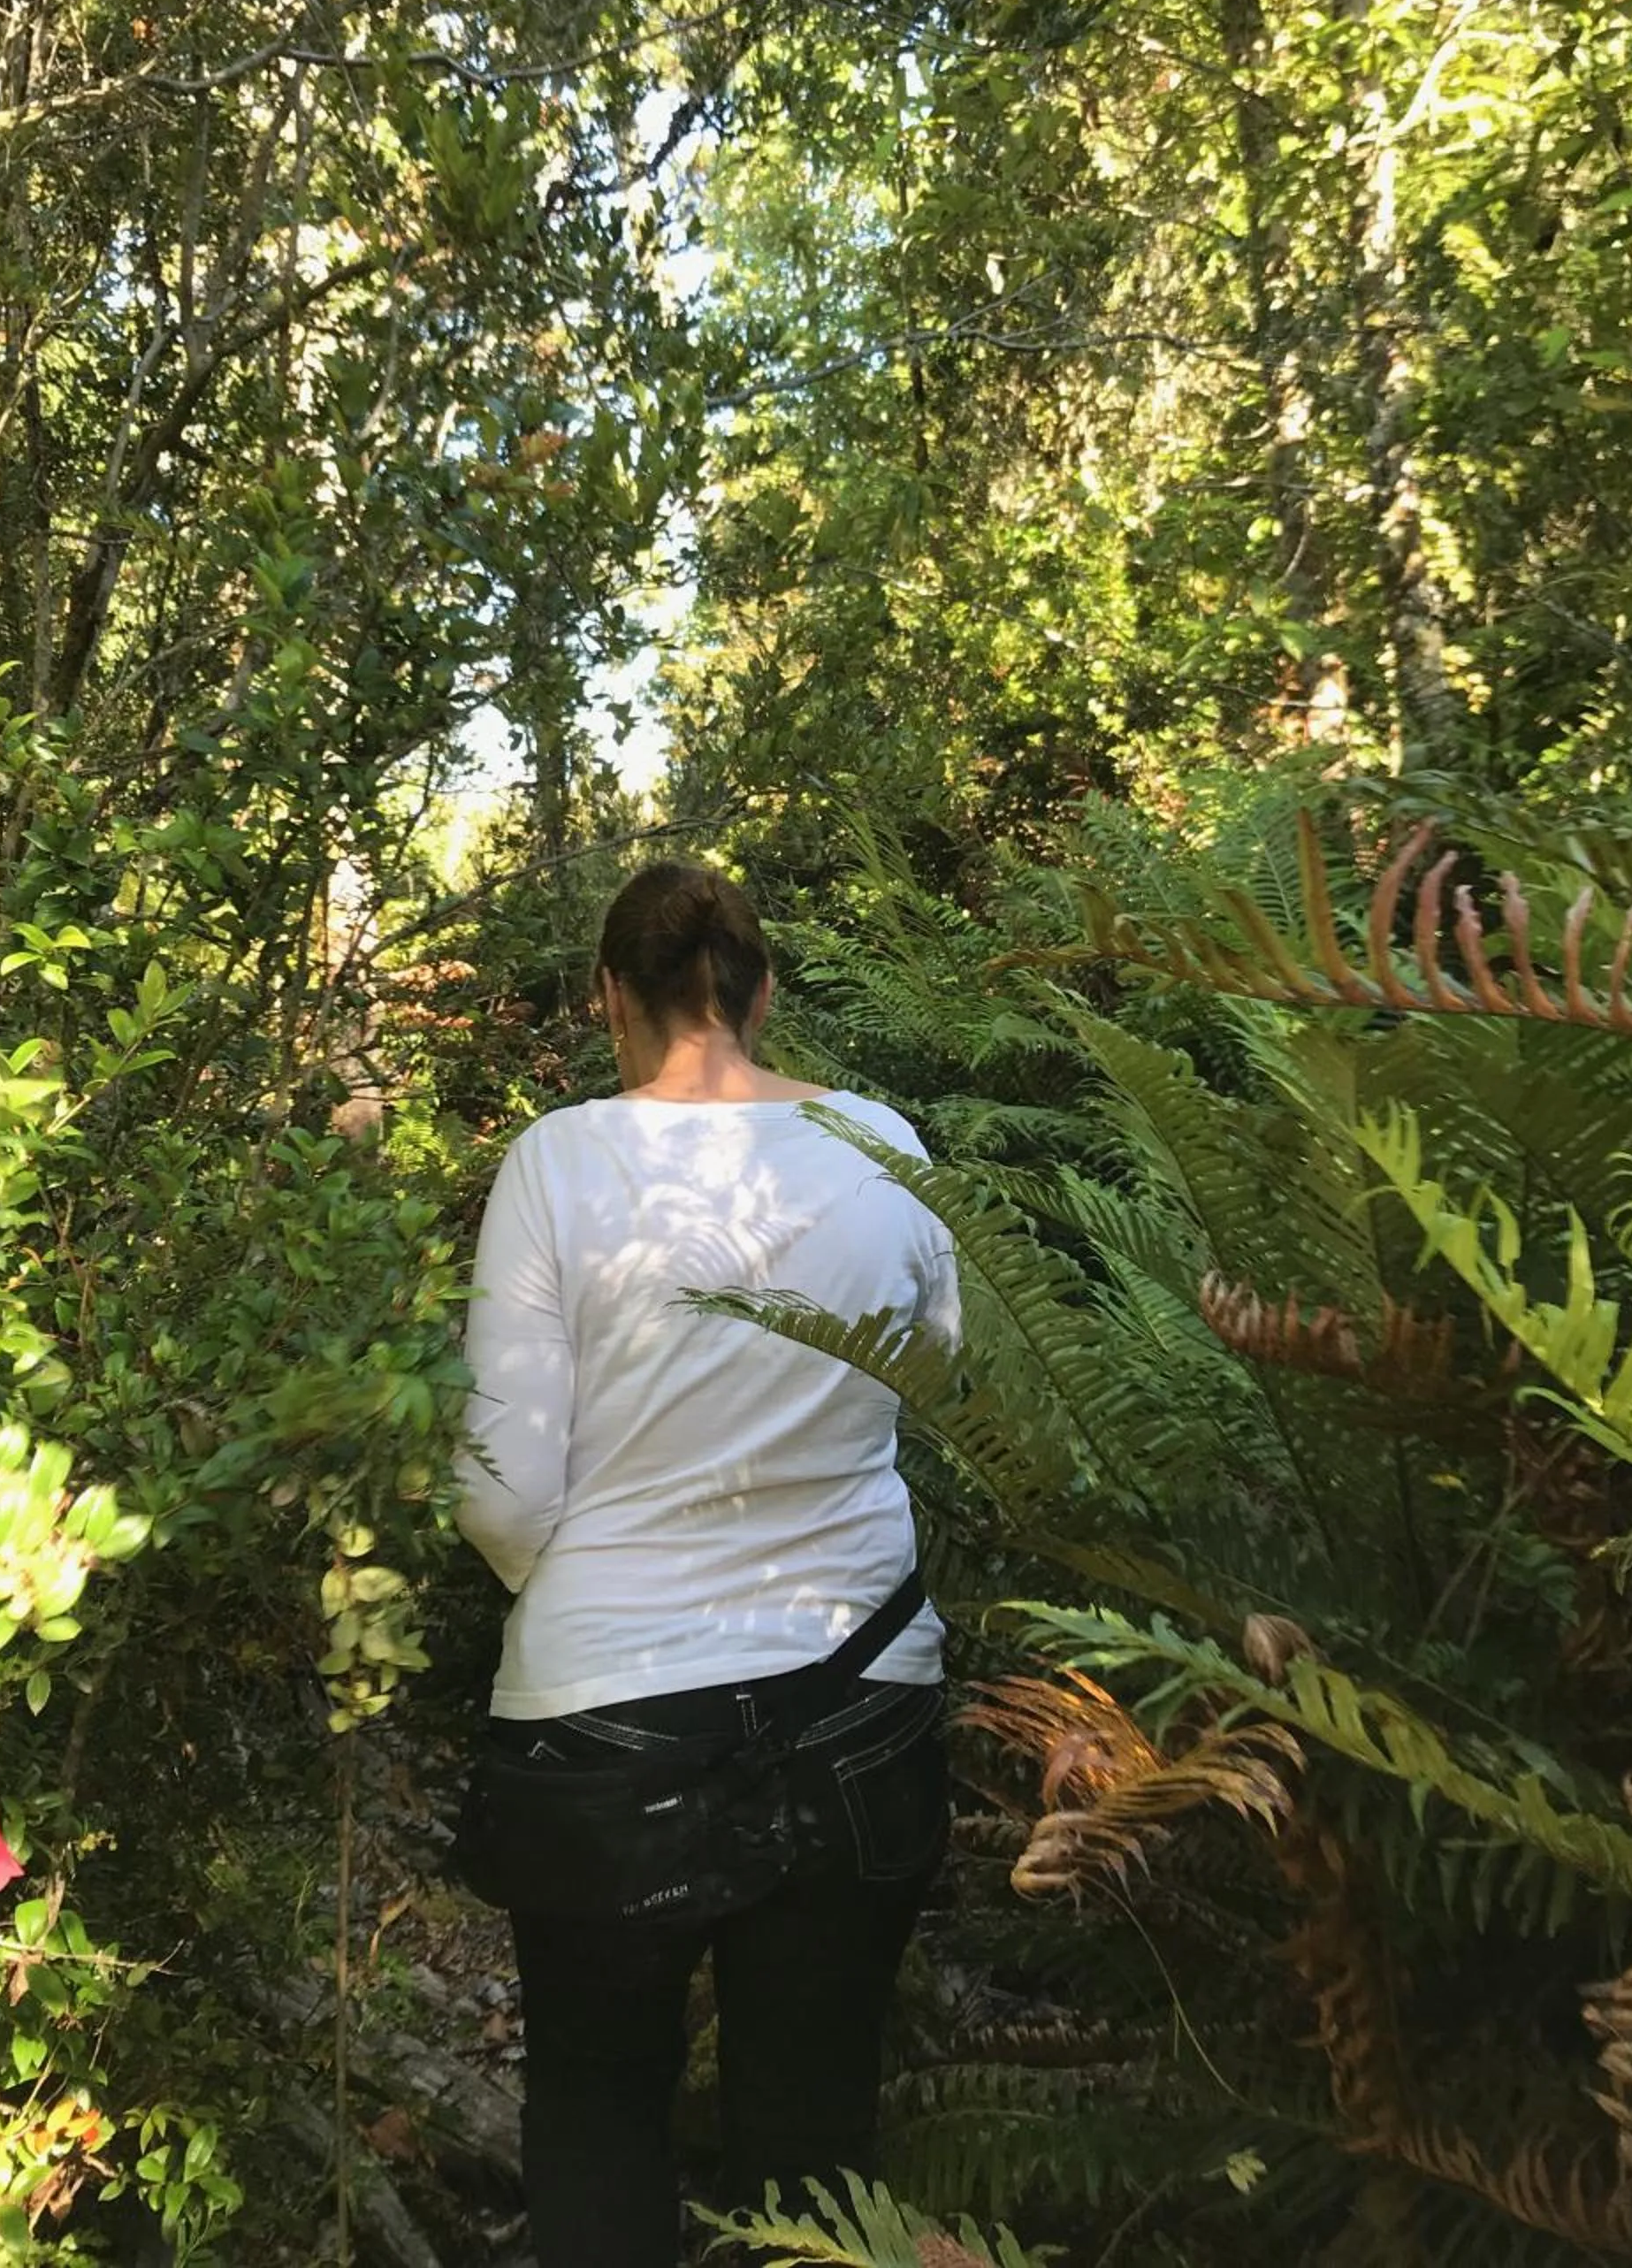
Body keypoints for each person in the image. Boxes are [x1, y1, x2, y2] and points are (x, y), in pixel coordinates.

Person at [456, 859, 960, 2268]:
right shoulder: (880, 1142)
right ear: (762, 992)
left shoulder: (557, 1160)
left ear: (609, 997)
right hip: (862, 1697)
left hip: (602, 1724)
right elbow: (932, 1377)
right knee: (814, 2140)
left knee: (598, 2115)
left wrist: (602, 1596)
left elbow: (503, 1493)